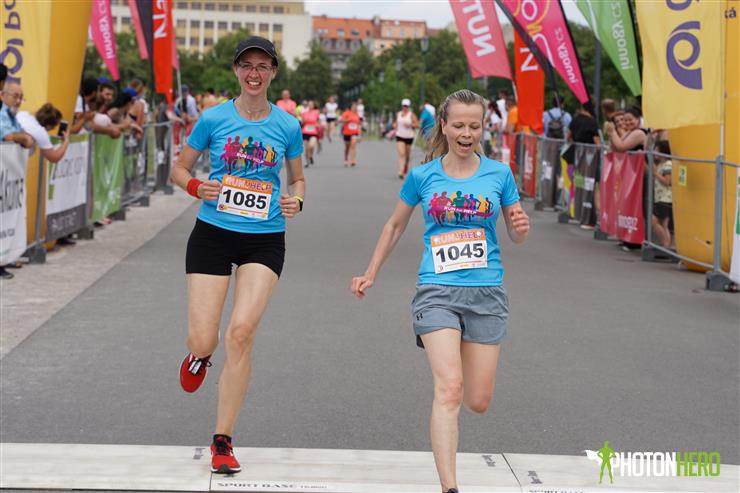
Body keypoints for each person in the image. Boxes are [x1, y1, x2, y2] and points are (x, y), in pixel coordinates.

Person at [351, 89, 529, 493]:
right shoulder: (423, 176)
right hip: (436, 291)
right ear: (444, 126)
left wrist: (520, 230)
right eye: (459, 125)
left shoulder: (500, 174)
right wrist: (370, 271)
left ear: (483, 128)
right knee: (450, 389)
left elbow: (516, 233)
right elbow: (395, 225)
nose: (467, 133)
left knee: (477, 400)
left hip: (487, 293)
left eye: (474, 126)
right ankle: (450, 487)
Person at [170, 36, 305, 475]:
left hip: (264, 238)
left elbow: (297, 180)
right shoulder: (213, 118)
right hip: (212, 234)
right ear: (236, 70)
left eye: (262, 66)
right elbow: (178, 168)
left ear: (273, 73)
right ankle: (199, 355)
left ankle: (222, 439)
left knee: (241, 333)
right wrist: (197, 187)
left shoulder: (287, 126)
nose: (254, 73)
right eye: (247, 65)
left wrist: (297, 200)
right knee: (204, 339)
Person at [564, 103, 601, 229]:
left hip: (577, 157)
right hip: (591, 160)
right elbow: (597, 141)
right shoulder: (592, 122)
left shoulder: (575, 120)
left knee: (578, 183)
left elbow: (568, 136)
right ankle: (591, 217)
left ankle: (578, 213)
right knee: (591, 186)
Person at [651, 140, 673, 249]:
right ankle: (665, 245)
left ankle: (665, 245)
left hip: (665, 198)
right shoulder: (660, 164)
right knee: (663, 224)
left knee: (654, 221)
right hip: (660, 197)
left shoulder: (668, 165)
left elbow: (667, 182)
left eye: (657, 150)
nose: (655, 152)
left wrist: (655, 173)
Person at [0, 82, 34, 149]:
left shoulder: (12, 116)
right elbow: (7, 135)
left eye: (21, 98)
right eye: (15, 96)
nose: (18, 101)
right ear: (2, 95)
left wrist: (25, 137)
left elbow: (22, 132)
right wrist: (25, 138)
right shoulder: (1, 112)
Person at [393, 98, 419, 179]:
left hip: (409, 137)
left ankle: (406, 165)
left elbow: (417, 125)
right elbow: (396, 123)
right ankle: (401, 171)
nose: (405, 107)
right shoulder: (398, 114)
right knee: (402, 154)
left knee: (407, 156)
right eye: (404, 106)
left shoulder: (411, 115)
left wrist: (410, 125)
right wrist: (394, 125)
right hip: (399, 136)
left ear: (409, 106)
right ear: (402, 106)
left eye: (407, 106)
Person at [300, 100, 320, 167]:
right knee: (306, 148)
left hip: (313, 132)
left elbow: (318, 122)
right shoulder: (304, 113)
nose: (310, 106)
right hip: (305, 132)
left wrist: (318, 125)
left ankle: (310, 155)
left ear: (314, 106)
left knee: (311, 145)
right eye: (309, 104)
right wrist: (303, 121)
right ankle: (307, 161)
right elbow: (302, 123)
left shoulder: (316, 112)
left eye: (312, 104)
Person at [341, 101, 361, 167]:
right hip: (347, 132)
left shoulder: (357, 114)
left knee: (353, 145)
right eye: (353, 107)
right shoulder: (346, 113)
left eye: (355, 107)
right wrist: (348, 120)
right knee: (347, 147)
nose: (354, 108)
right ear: (351, 107)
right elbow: (342, 120)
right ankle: (346, 158)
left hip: (354, 132)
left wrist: (359, 133)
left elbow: (358, 124)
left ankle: (353, 160)